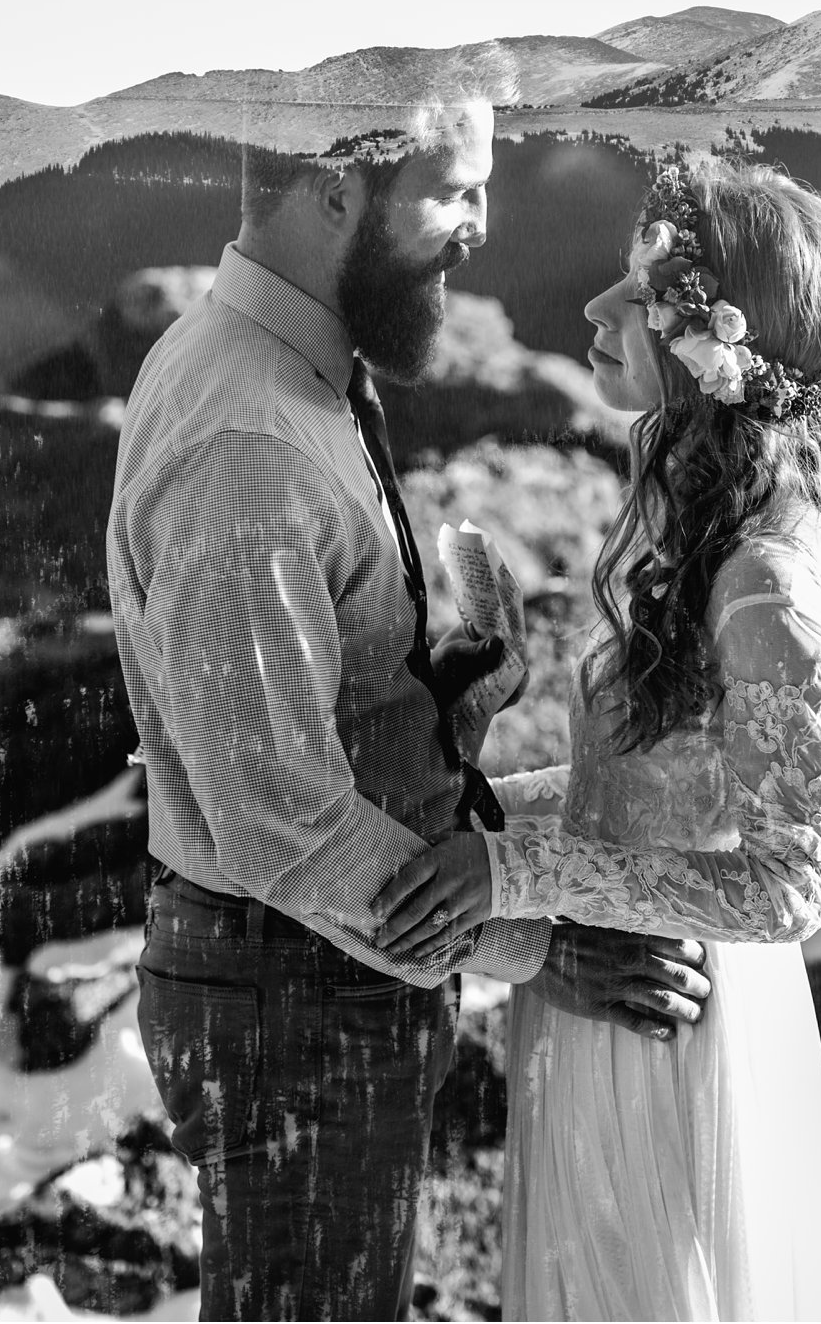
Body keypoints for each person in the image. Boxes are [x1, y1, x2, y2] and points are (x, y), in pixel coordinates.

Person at [105, 98, 715, 1322]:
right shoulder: (248, 439)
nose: (481, 227)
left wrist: (447, 684)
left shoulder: (294, 365)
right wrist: (545, 946)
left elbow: (301, 719)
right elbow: (285, 825)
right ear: (335, 184)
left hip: (314, 983)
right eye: (453, 191)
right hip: (296, 1000)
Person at [374, 156, 821, 1320]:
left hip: (670, 1017)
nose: (595, 308)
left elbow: (788, 884)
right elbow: (640, 791)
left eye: (642, 295)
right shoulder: (704, 518)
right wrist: (475, 802)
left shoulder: (768, 575)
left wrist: (506, 869)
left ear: (718, 350)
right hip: (624, 989)